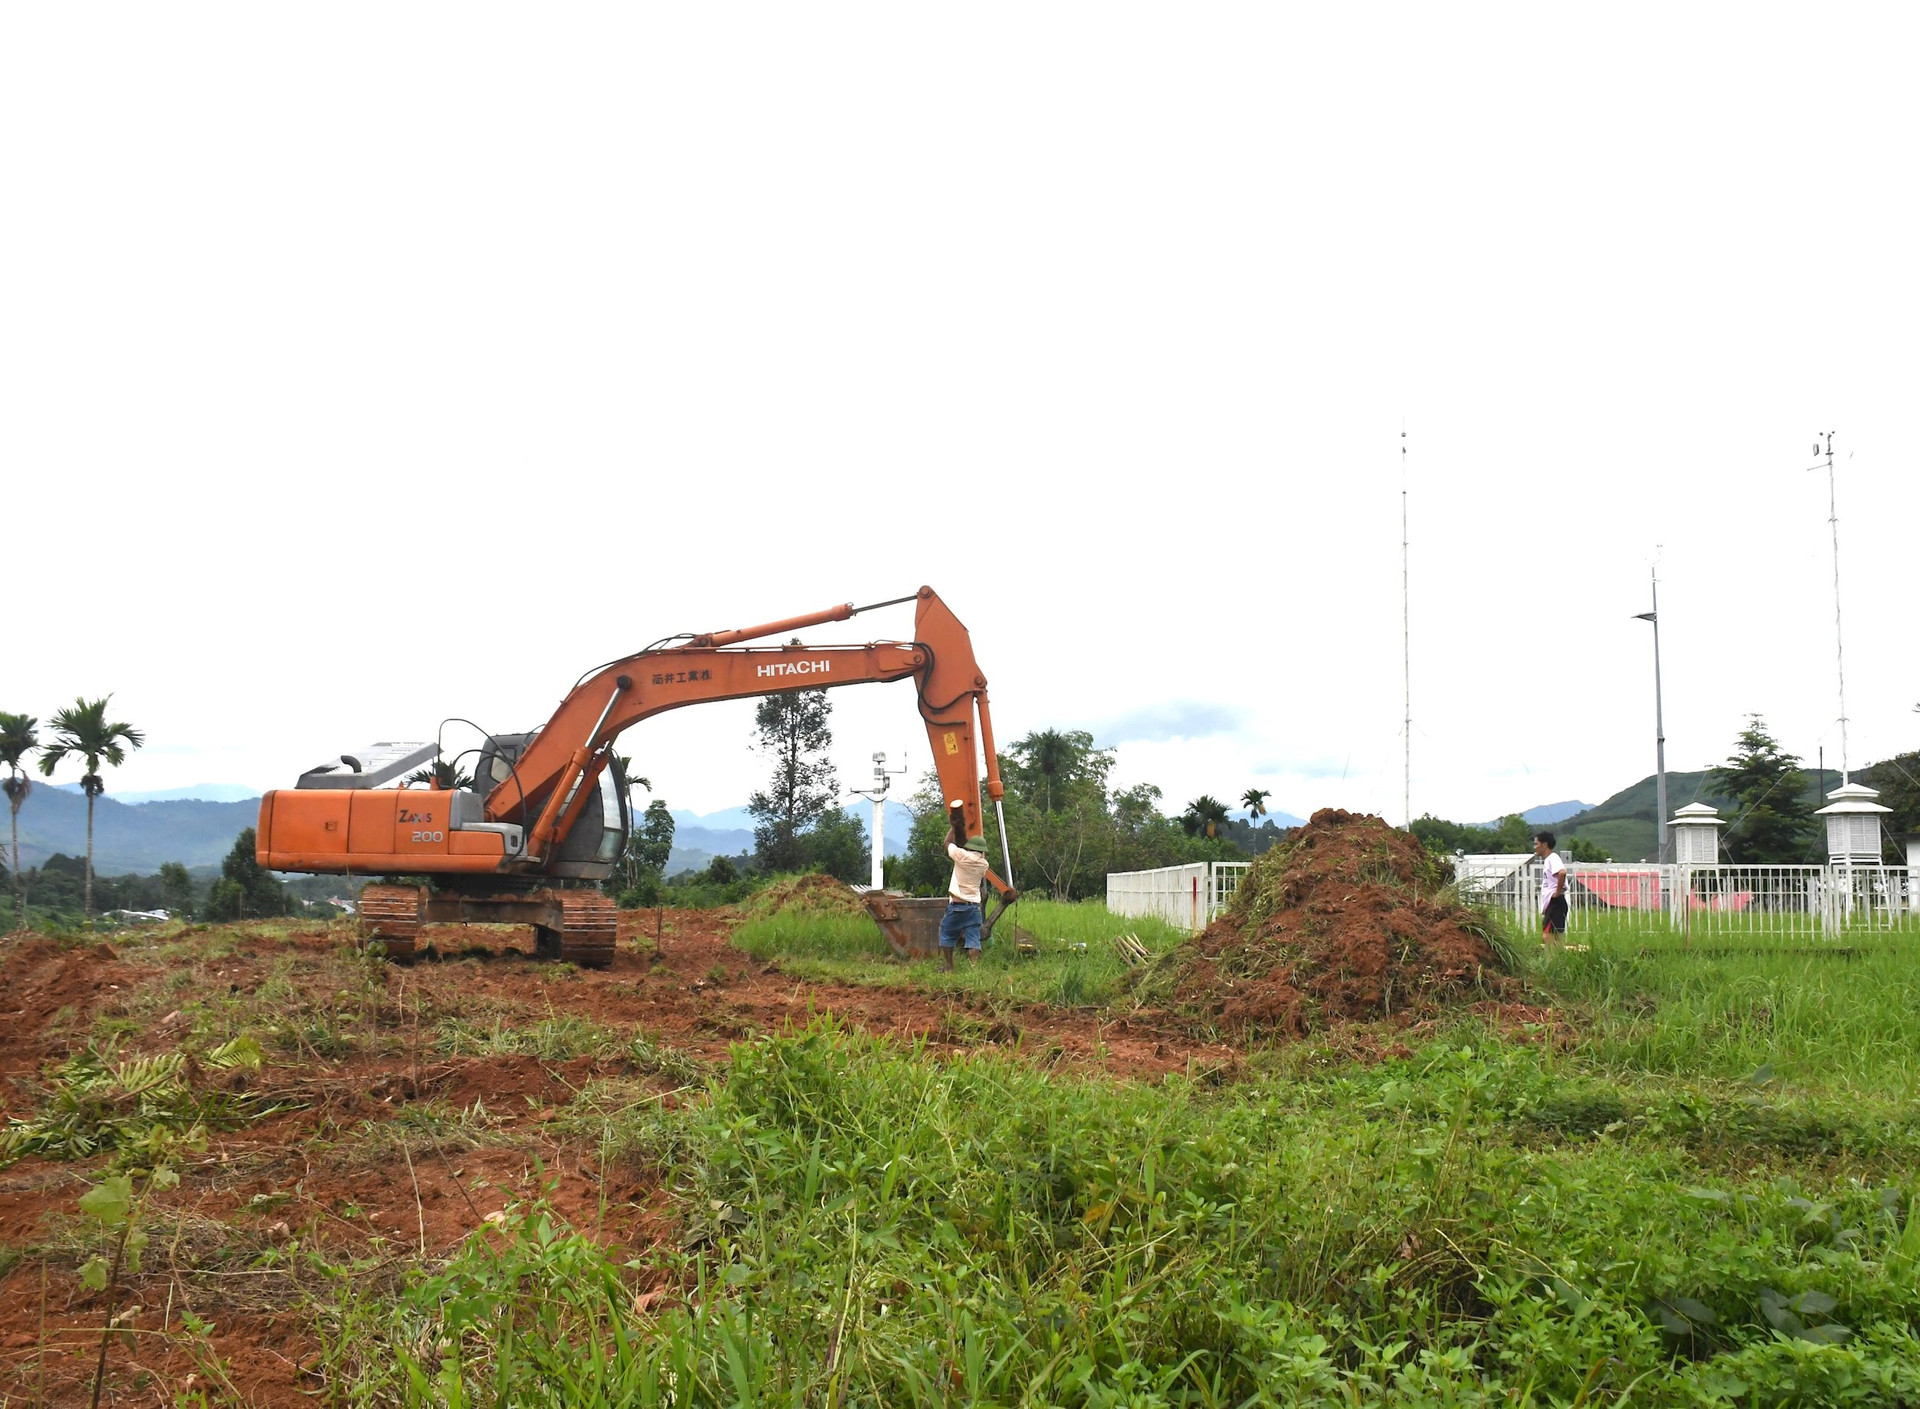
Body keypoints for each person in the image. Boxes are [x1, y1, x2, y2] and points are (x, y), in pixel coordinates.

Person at [940, 801, 1015, 970]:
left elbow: (946, 844)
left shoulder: (961, 856)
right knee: (973, 939)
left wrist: (954, 827)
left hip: (957, 905)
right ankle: (975, 970)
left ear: (969, 848)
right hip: (974, 907)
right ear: (982, 851)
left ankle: (949, 966)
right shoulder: (984, 865)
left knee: (946, 933)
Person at [1535, 830, 1568, 944]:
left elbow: (1562, 872)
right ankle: (1558, 959)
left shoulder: (1553, 858)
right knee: (1556, 938)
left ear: (1544, 845)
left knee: (1548, 936)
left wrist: (1557, 892)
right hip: (1554, 903)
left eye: (1536, 844)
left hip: (1555, 903)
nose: (1535, 847)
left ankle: (1552, 960)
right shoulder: (1548, 860)